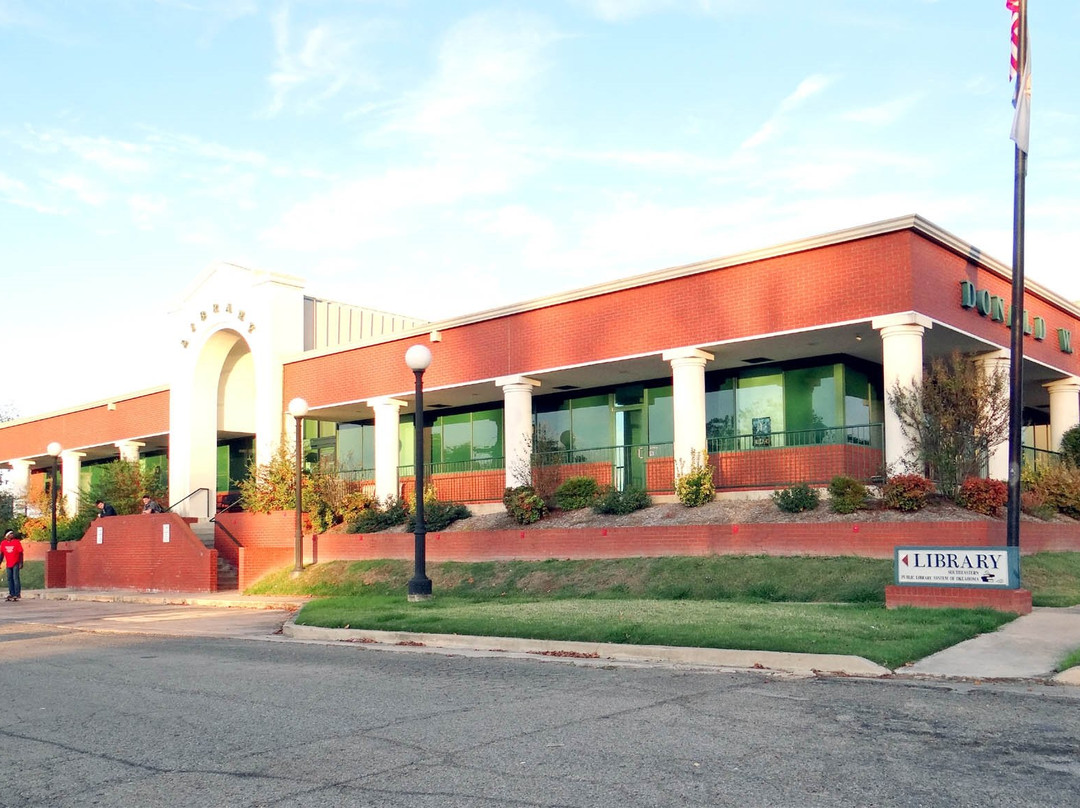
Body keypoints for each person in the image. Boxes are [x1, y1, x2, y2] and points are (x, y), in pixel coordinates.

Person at [1, 530, 23, 602]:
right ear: (6, 535)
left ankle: (17, 594)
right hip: (8, 564)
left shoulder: (16, 542)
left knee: (15, 578)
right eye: (10, 534)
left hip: (16, 563)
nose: (12, 535)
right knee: (9, 579)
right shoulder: (3, 543)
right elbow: (2, 554)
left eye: (13, 533)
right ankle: (11, 593)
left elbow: (20, 553)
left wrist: (21, 563)